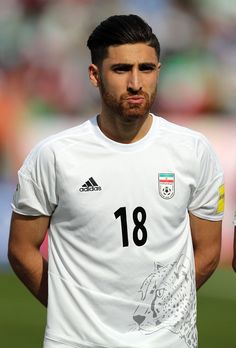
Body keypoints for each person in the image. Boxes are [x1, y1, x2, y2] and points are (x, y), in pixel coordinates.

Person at [8, 14, 224, 348]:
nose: (136, 83)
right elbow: (21, 248)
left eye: (146, 69)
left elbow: (209, 250)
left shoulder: (194, 151)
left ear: (159, 71)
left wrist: (160, 310)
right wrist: (72, 311)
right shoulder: (53, 155)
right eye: (122, 70)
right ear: (95, 75)